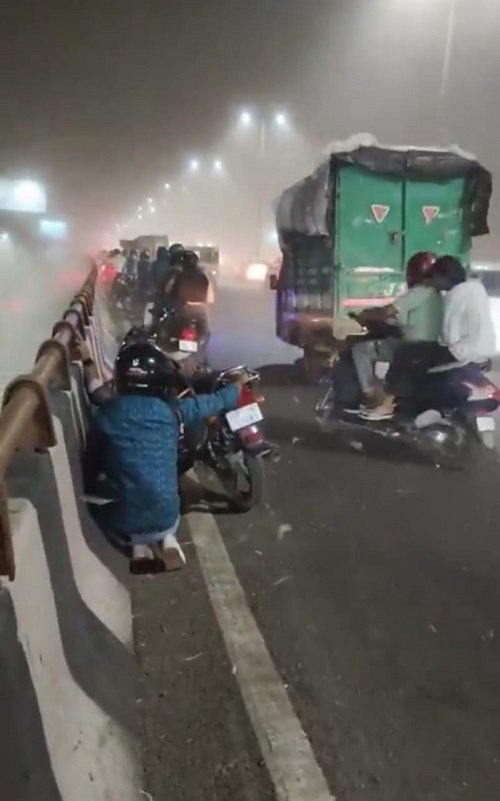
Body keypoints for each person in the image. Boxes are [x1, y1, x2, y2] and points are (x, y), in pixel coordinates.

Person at [85, 341, 243, 572]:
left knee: (99, 506)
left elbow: (92, 458)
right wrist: (236, 388)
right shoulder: (174, 411)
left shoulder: (107, 414)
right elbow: (213, 402)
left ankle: (139, 548)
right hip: (168, 515)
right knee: (158, 502)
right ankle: (167, 539)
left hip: (125, 517)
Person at [366, 255, 496, 419]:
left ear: (443, 277)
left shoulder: (454, 295)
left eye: (434, 278)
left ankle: (387, 405)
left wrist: (439, 344)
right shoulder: (477, 288)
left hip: (462, 351)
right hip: (485, 348)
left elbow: (450, 333)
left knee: (405, 355)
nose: (432, 283)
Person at [350, 251, 441, 409]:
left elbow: (388, 311)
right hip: (430, 348)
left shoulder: (420, 292)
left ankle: (370, 393)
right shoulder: (437, 295)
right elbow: (402, 320)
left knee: (360, 350)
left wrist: (365, 314)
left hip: (412, 348)